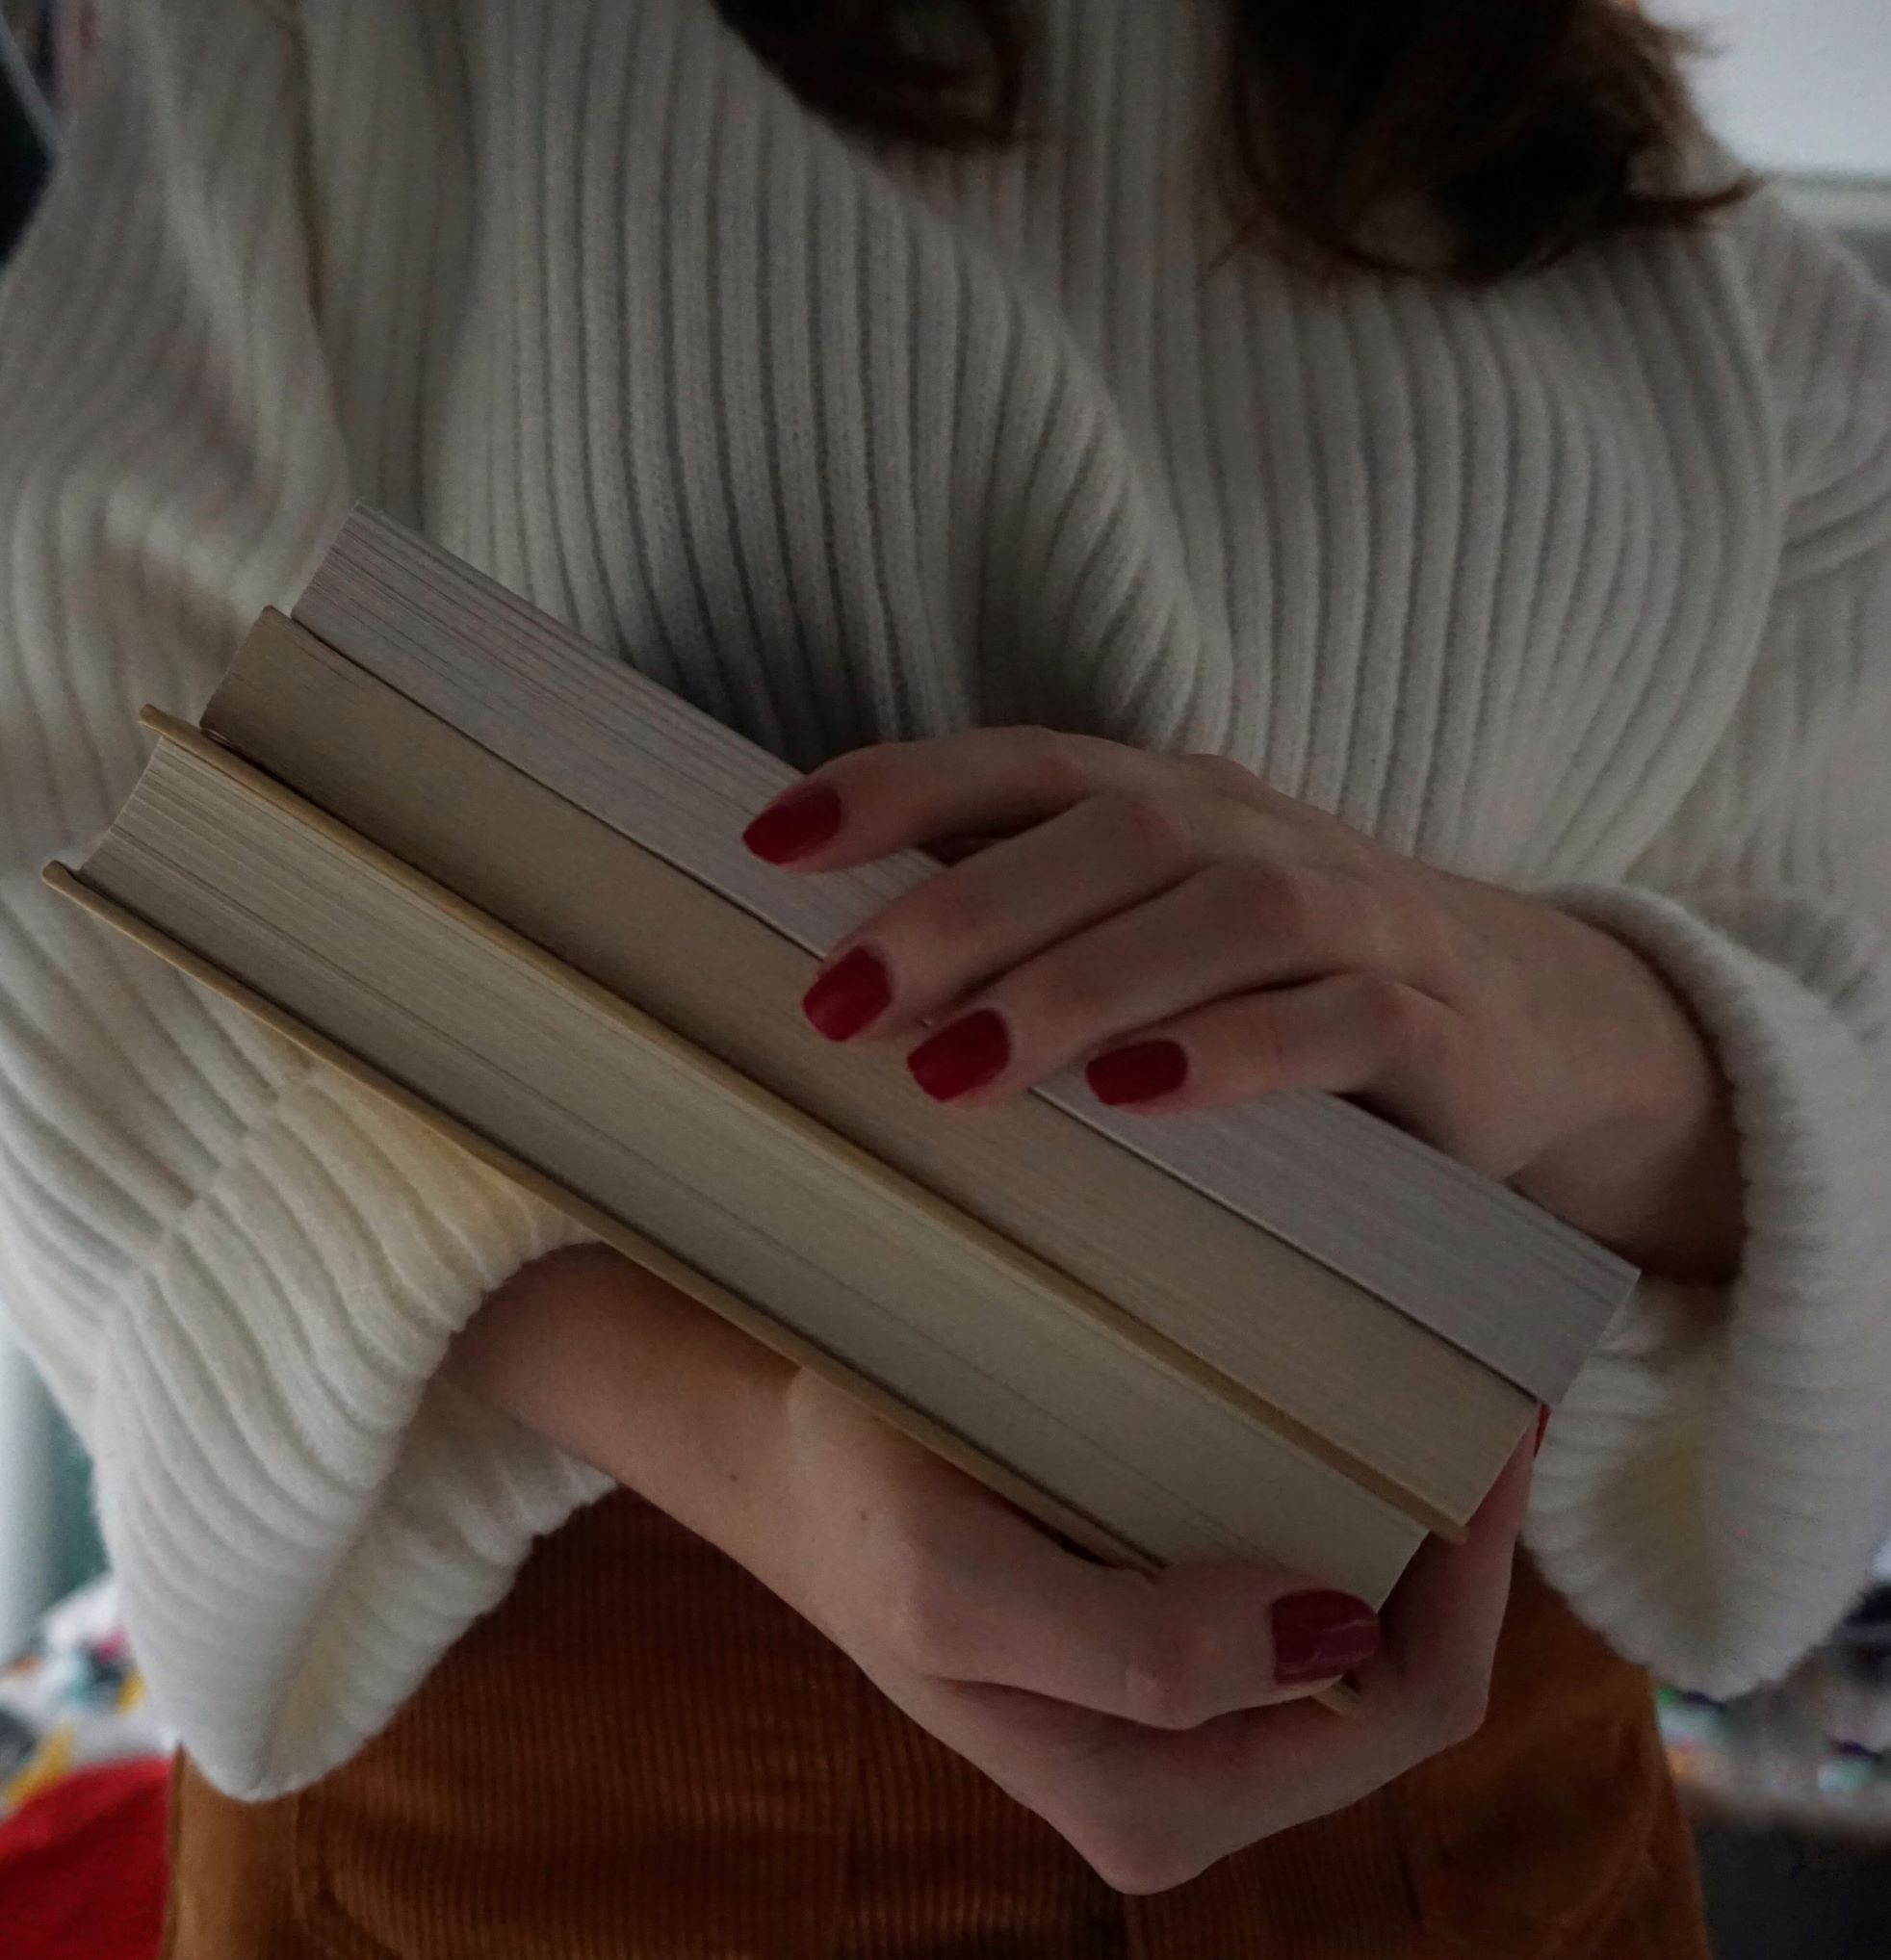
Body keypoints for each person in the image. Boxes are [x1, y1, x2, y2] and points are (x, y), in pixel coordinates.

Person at [1, 1, 1888, 1952]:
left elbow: (1858, 1002)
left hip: (1487, 1789)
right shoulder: (353, 42)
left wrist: (1568, 1027)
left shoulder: (1642, 197)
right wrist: (732, 1414)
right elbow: (64, 806)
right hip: (578, 1801)